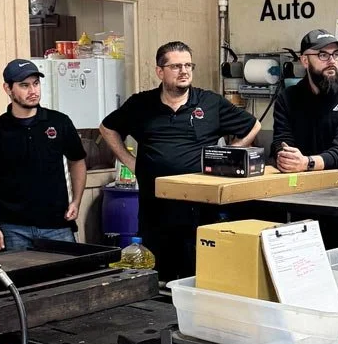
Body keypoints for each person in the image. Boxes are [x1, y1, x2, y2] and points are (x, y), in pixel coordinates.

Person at [99, 41, 259, 281]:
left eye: (188, 65)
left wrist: (229, 155)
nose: (184, 71)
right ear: (160, 71)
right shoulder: (141, 104)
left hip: (199, 212)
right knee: (157, 277)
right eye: (176, 66)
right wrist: (131, 162)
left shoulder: (209, 103)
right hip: (155, 212)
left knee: (198, 276)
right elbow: (107, 128)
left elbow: (252, 125)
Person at [271, 29, 338, 248]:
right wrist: (284, 155)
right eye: (323, 55)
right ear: (305, 60)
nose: (332, 61)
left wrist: (305, 163)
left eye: (336, 55)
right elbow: (281, 140)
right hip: (303, 208)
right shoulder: (288, 99)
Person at [0, 59, 87, 252]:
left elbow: (77, 162)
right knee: (20, 281)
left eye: (36, 83)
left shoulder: (60, 122)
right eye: (24, 86)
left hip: (57, 224)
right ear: (8, 89)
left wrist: (76, 200)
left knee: (67, 279)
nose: (33, 91)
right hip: (12, 227)